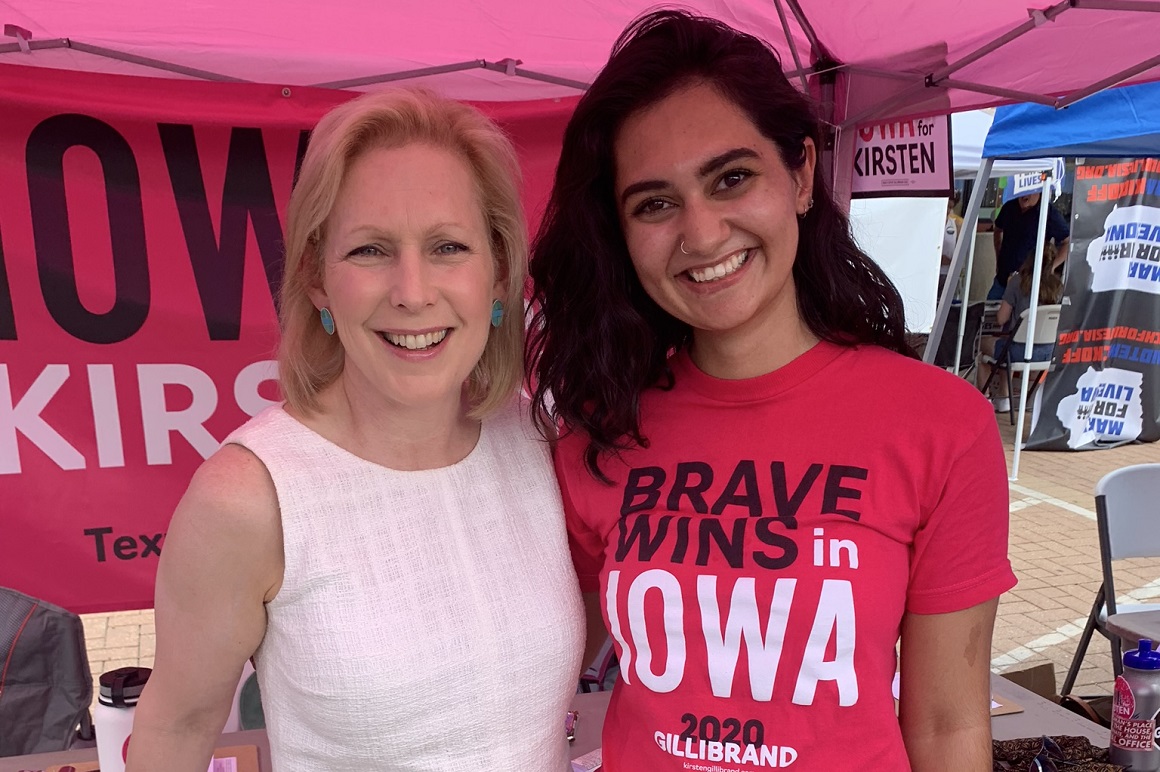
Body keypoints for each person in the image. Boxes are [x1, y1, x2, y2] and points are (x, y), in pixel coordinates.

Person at [527, 10, 1015, 772]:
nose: (701, 232)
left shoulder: (940, 425)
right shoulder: (596, 432)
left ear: (799, 175)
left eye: (731, 177)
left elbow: (949, 725)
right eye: (654, 203)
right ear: (620, 234)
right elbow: (524, 671)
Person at [127, 90, 584, 772]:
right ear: (316, 279)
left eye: (447, 246)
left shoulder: (541, 444)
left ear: (497, 273)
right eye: (370, 249)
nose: (411, 291)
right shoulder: (249, 498)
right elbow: (173, 736)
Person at [977, 245, 1064, 412]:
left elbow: (1001, 318)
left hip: (1019, 352)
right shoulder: (1058, 286)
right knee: (1005, 348)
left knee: (984, 347)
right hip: (1049, 352)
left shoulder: (1017, 282)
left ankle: (987, 401)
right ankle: (1004, 398)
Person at [990, 190, 1069, 300]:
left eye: (1029, 191)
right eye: (1022, 191)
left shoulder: (1049, 213)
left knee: (1021, 315)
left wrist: (1051, 267)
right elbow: (998, 229)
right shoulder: (1009, 207)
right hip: (1003, 278)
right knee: (989, 311)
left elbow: (1068, 242)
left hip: (1029, 282)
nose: (1024, 195)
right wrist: (998, 257)